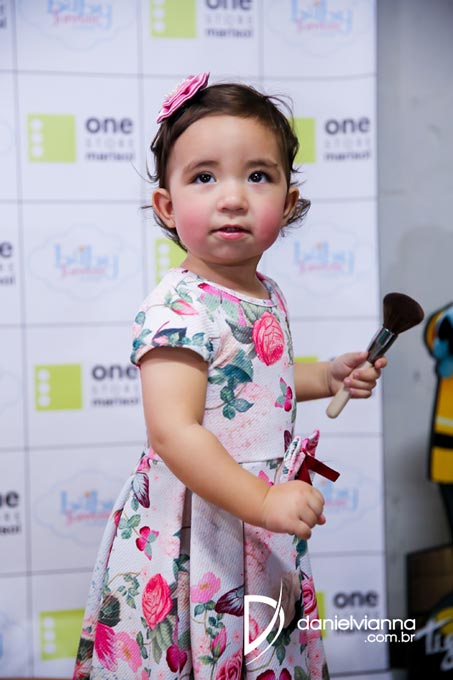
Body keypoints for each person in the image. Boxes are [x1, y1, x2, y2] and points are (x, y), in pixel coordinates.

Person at [73, 72, 386, 679]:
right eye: (204, 177)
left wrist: (327, 376)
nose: (234, 197)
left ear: (288, 203)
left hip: (256, 518)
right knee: (205, 648)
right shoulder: (179, 307)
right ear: (167, 205)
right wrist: (263, 501)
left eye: (258, 175)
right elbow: (175, 432)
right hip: (199, 525)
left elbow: (252, 381)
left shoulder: (265, 291)